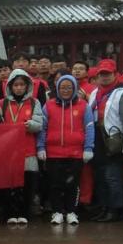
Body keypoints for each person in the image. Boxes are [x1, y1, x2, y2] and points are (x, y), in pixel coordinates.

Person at [38, 74, 94, 226]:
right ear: (57, 88)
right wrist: (41, 147)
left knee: (72, 184)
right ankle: (57, 211)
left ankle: (71, 212)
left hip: (75, 153)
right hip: (53, 153)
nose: (66, 90)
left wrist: (88, 147)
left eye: (69, 87)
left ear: (74, 88)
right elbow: (42, 128)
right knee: (55, 184)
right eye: (63, 87)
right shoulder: (48, 105)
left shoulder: (83, 105)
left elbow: (89, 128)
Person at [88, 60, 123, 222]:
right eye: (102, 74)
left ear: (115, 74)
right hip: (98, 140)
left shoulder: (122, 93)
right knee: (100, 178)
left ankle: (114, 210)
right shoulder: (95, 93)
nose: (105, 77)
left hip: (114, 141)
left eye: (108, 74)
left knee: (112, 177)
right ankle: (104, 207)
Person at [0, 69, 45, 225]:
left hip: (28, 150)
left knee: (28, 184)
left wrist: (30, 125)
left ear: (27, 86)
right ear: (10, 86)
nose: (18, 88)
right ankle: (10, 213)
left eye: (22, 85)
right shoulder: (2, 103)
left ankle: (24, 213)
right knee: (9, 184)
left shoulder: (34, 102)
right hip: (8, 151)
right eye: (16, 85)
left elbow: (39, 124)